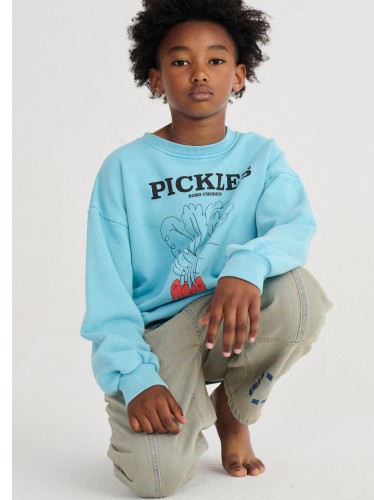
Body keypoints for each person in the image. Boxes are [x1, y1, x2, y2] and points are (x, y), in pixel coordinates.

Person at [81, 0, 332, 497]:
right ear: (156, 79)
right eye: (180, 61)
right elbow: (107, 293)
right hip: (157, 339)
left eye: (216, 60)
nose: (199, 72)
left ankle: (233, 412)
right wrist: (136, 377)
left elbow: (293, 227)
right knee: (155, 481)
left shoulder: (262, 156)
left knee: (300, 296)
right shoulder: (124, 169)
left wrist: (246, 264)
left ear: (238, 76)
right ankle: (177, 396)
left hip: (228, 321)